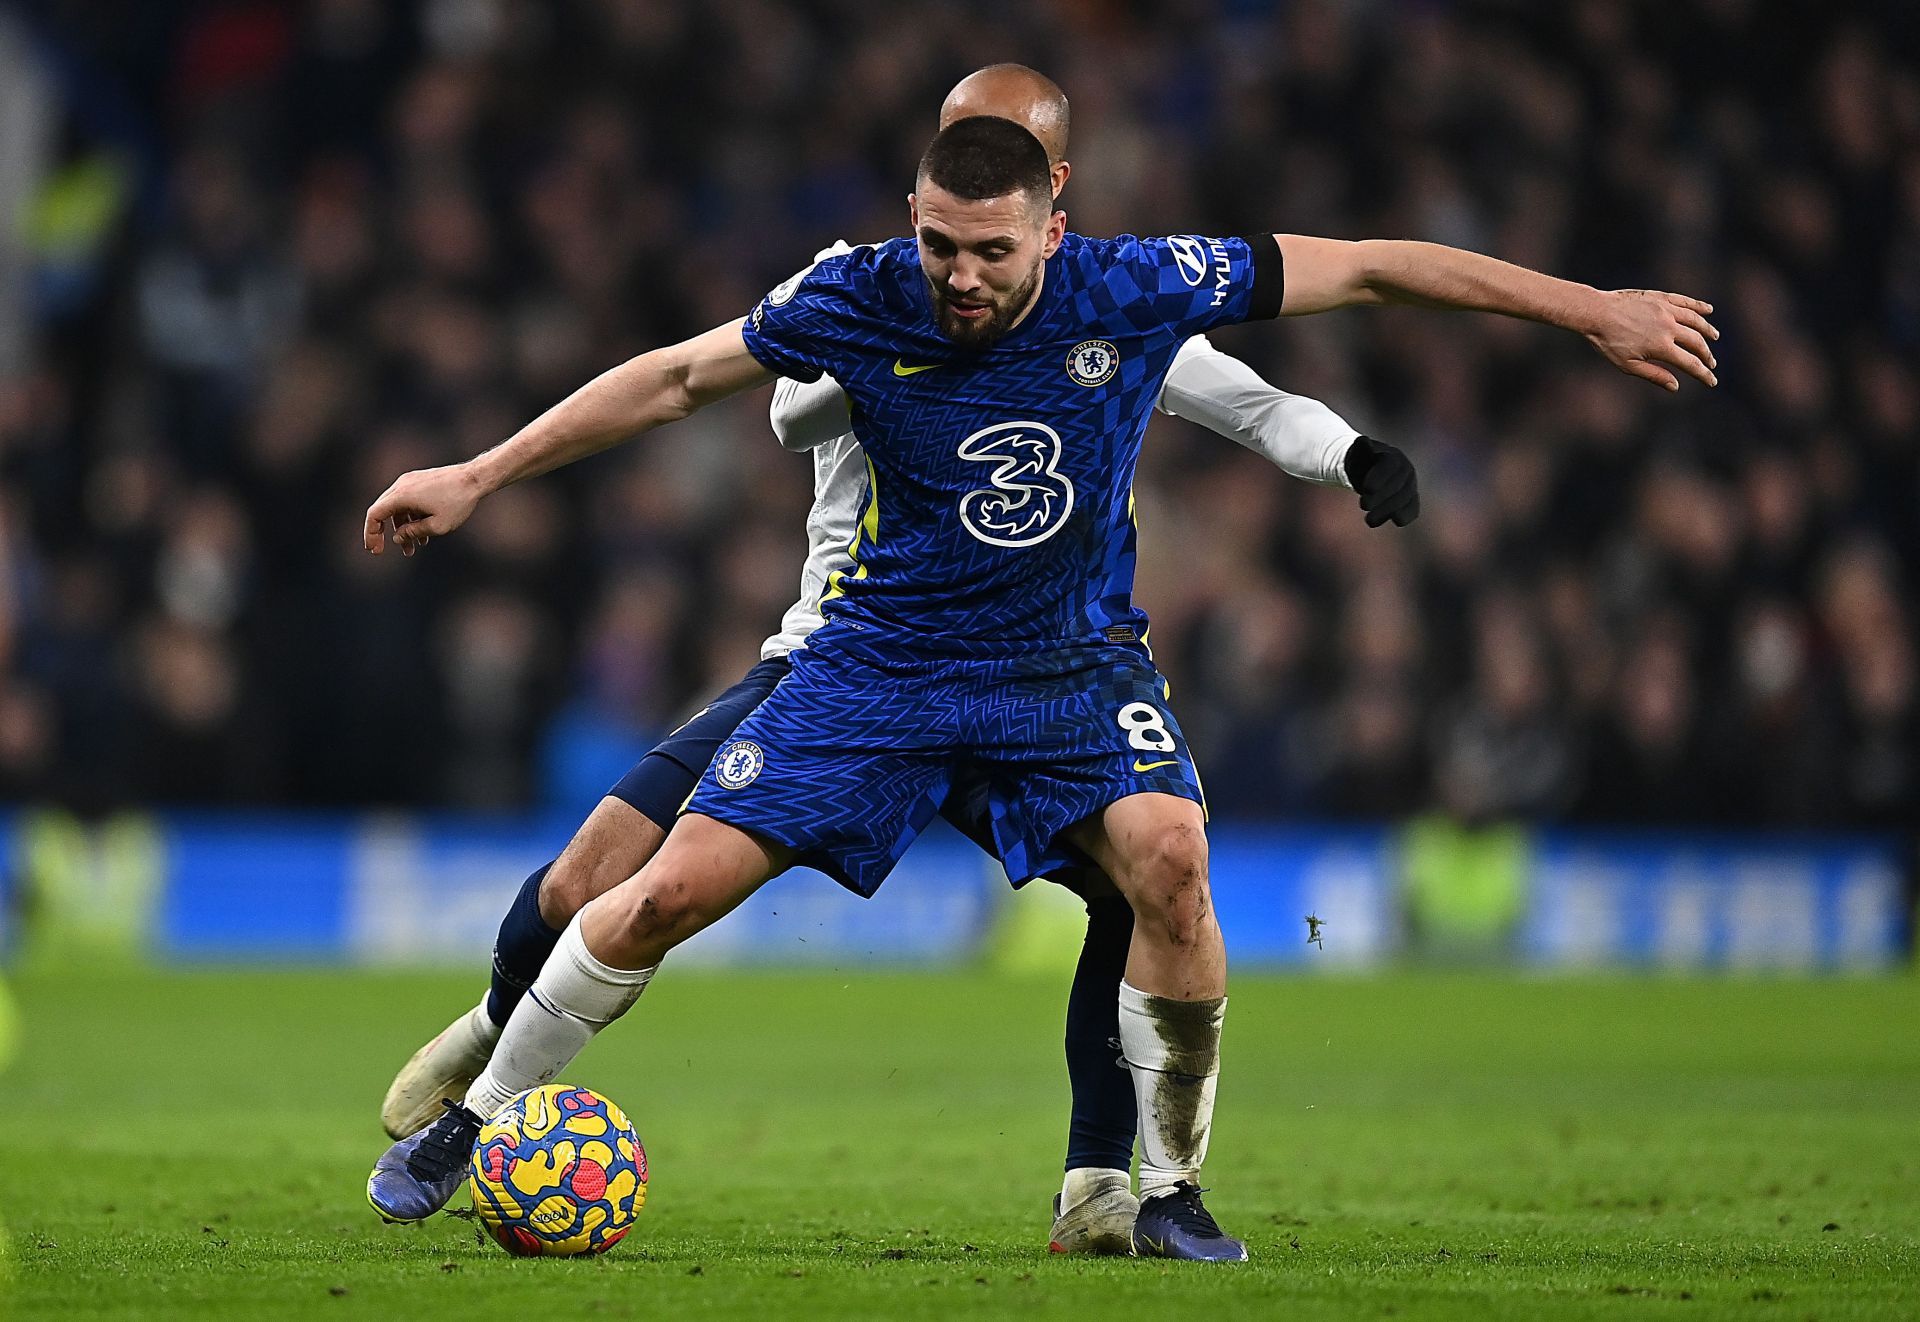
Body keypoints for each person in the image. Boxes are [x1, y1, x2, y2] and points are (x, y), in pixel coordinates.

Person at [361, 115, 1716, 1261]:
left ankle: (1165, 1190)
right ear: (913, 218)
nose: (959, 276)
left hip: (1065, 667)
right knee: (654, 890)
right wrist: (478, 473)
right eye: (942, 244)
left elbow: (1367, 270)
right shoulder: (861, 291)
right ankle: (476, 1114)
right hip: (876, 663)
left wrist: (1588, 308)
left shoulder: (1134, 286)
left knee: (1169, 867)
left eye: (989, 251)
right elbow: (674, 380)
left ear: (1051, 227)